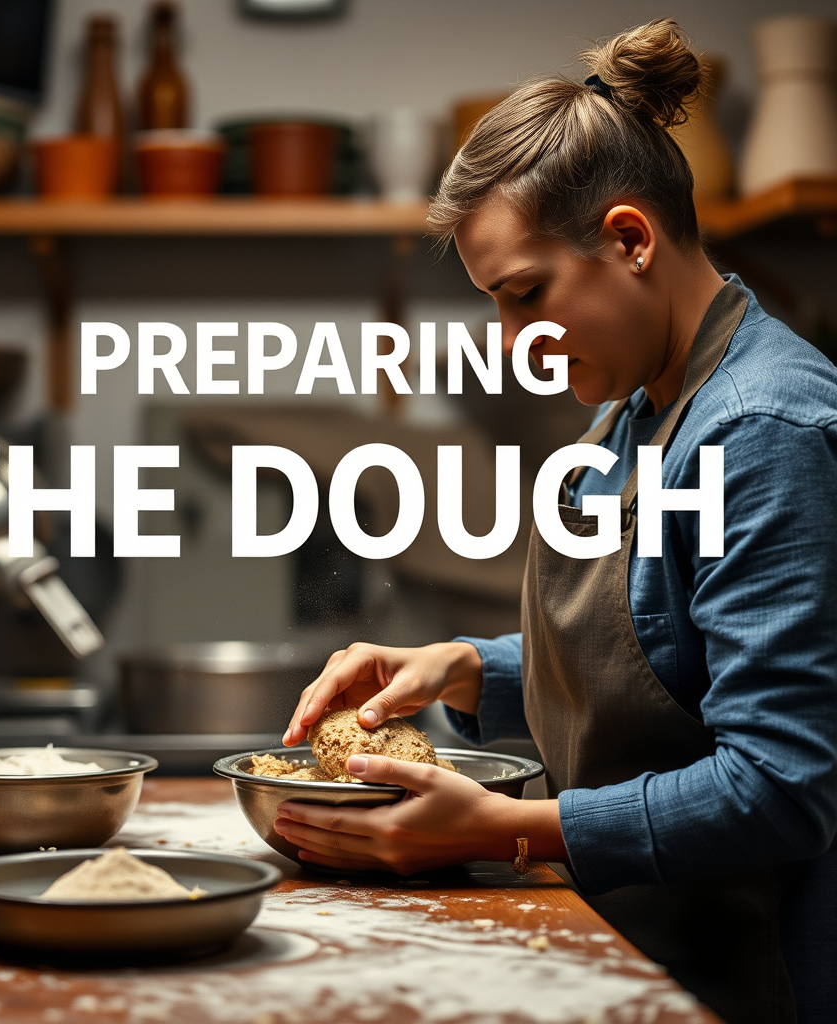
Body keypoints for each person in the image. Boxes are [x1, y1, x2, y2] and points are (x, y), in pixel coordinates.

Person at [276, 19, 837, 1024]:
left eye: (525, 296)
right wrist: (462, 665)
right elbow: (660, 652)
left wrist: (508, 828)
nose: (513, 339)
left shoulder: (765, 432)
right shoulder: (632, 405)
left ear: (629, 239)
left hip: (746, 979)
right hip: (637, 948)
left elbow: (780, 786)